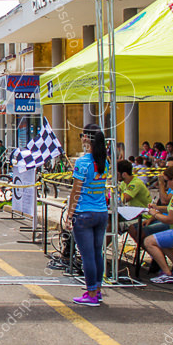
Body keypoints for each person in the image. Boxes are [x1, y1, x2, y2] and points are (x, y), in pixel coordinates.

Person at [63, 123, 108, 307]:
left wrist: (69, 214)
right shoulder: (105, 160)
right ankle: (97, 290)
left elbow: (76, 191)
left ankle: (90, 293)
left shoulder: (82, 162)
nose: (81, 138)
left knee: (87, 255)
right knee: (97, 254)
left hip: (83, 214)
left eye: (82, 135)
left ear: (87, 138)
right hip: (101, 212)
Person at [143, 165, 173, 283]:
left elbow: (170, 219)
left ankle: (167, 273)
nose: (166, 185)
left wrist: (154, 214)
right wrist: (158, 208)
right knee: (162, 242)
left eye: (166, 182)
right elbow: (172, 209)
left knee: (148, 241)